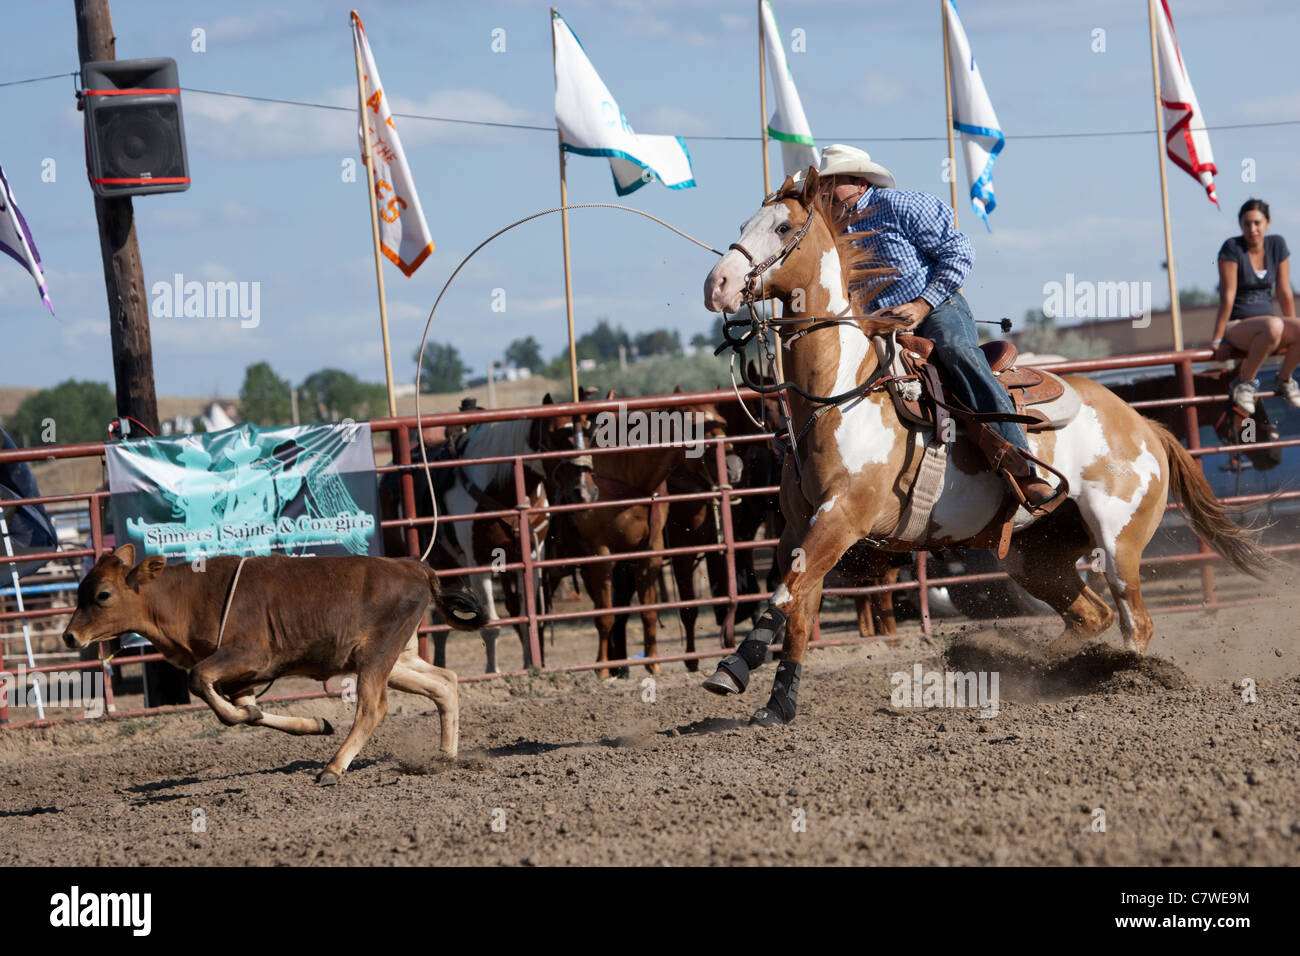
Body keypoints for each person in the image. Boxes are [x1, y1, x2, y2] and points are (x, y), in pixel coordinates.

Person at [817, 144, 1057, 511]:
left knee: (957, 352)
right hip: (877, 324)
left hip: (936, 307)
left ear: (857, 182)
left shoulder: (901, 205)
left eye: (829, 183)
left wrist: (921, 304)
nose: (823, 192)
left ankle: (1023, 466)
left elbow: (958, 252)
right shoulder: (831, 227)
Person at [1211, 198, 1298, 414]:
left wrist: (1293, 329)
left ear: (1267, 223)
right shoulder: (1232, 248)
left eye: (1257, 223)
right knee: (1274, 326)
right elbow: (1227, 296)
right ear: (1240, 226)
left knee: (1290, 326)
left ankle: (1284, 379)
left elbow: (1284, 291)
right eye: (1246, 224)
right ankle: (1244, 384)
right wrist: (1218, 338)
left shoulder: (1277, 245)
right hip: (1238, 325)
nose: (1252, 229)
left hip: (1270, 327)